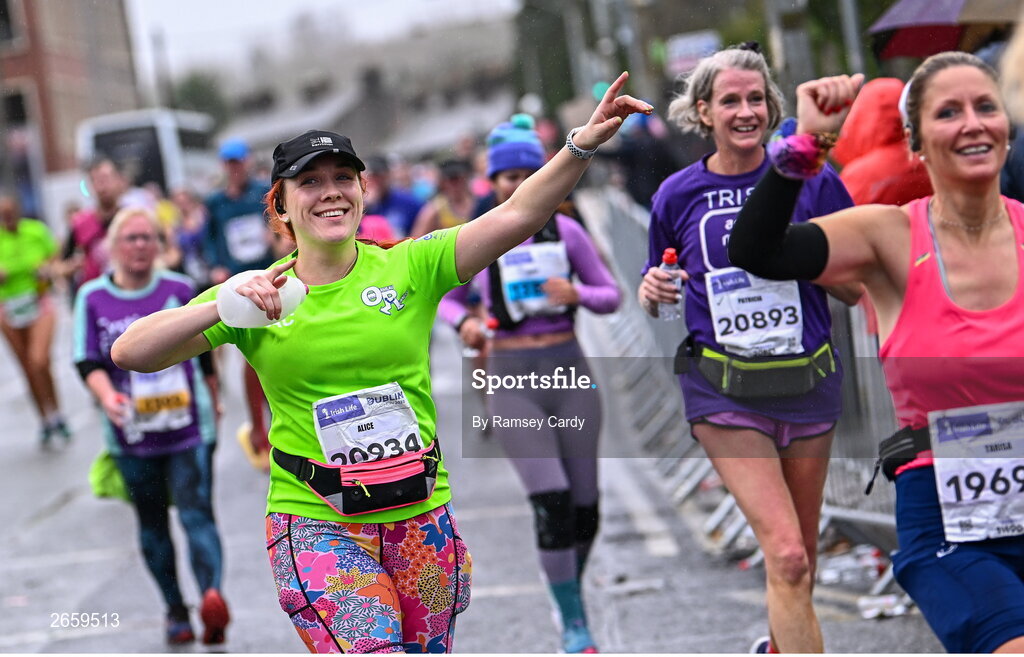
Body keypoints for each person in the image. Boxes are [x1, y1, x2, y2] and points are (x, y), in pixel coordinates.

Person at [110, 73, 651, 653]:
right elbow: (131, 352)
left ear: (363, 190)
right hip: (317, 519)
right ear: (282, 206)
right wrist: (221, 303)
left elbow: (518, 215)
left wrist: (581, 145)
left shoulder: (410, 267)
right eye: (310, 182)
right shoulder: (258, 297)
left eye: (343, 178)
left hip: (420, 514)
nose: (330, 192)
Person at [729, 52, 1024, 654]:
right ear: (916, 143)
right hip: (949, 521)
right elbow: (757, 250)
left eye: (985, 107)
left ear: (1006, 129)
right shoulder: (889, 236)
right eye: (949, 112)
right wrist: (806, 144)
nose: (972, 123)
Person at [636, 44, 858, 654]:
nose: (746, 111)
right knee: (786, 555)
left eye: (756, 98)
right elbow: (661, 277)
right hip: (724, 391)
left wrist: (799, 258)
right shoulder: (677, 195)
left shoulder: (813, 179)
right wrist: (651, 286)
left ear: (773, 106)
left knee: (801, 563)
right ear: (702, 112)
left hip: (807, 384)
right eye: (730, 100)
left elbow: (855, 284)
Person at [438, 115, 622, 654]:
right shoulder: (478, 237)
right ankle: (573, 620)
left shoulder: (566, 231)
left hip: (569, 373)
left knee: (585, 508)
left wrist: (577, 295)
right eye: (505, 175)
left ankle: (563, 582)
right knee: (552, 503)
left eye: (526, 171)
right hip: (512, 376)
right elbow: (446, 297)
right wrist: (464, 322)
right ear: (490, 183)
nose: (515, 182)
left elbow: (610, 294)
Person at [72, 207, 228, 646]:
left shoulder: (180, 288)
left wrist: (214, 401)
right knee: (152, 522)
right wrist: (107, 397)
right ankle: (176, 610)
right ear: (114, 247)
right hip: (131, 435)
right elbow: (87, 360)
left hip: (189, 428)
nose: (141, 246)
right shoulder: (92, 298)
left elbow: (205, 353)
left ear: (160, 246)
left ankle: (212, 598)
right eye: (132, 238)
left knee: (198, 514)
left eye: (149, 238)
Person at [204, 138, 275, 463]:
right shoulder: (216, 202)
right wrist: (216, 266)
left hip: (273, 278)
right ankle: (260, 426)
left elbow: (283, 223)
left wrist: (273, 236)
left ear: (247, 161)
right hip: (238, 285)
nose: (235, 168)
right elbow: (210, 239)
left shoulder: (263, 192)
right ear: (224, 166)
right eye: (229, 163)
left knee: (279, 348)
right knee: (251, 356)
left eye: (239, 161)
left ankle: (282, 415)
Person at [0, 194, 71, 446]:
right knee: (27, 367)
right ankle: (45, 419)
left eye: (10, 211)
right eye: (2, 214)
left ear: (17, 211)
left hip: (38, 302)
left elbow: (56, 258)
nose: (6, 217)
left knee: (39, 359)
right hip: (8, 308)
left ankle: (58, 413)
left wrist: (46, 267)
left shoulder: (35, 231)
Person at [409, 158, 476, 238]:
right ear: (443, 183)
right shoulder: (435, 209)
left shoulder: (478, 202)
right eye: (450, 180)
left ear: (465, 179)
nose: (455, 185)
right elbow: (416, 241)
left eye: (458, 179)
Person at [363, 155, 424, 238]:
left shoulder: (407, 201)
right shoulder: (361, 204)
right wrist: (367, 205)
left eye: (380, 176)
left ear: (388, 175)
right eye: (372, 177)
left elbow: (422, 230)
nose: (376, 181)